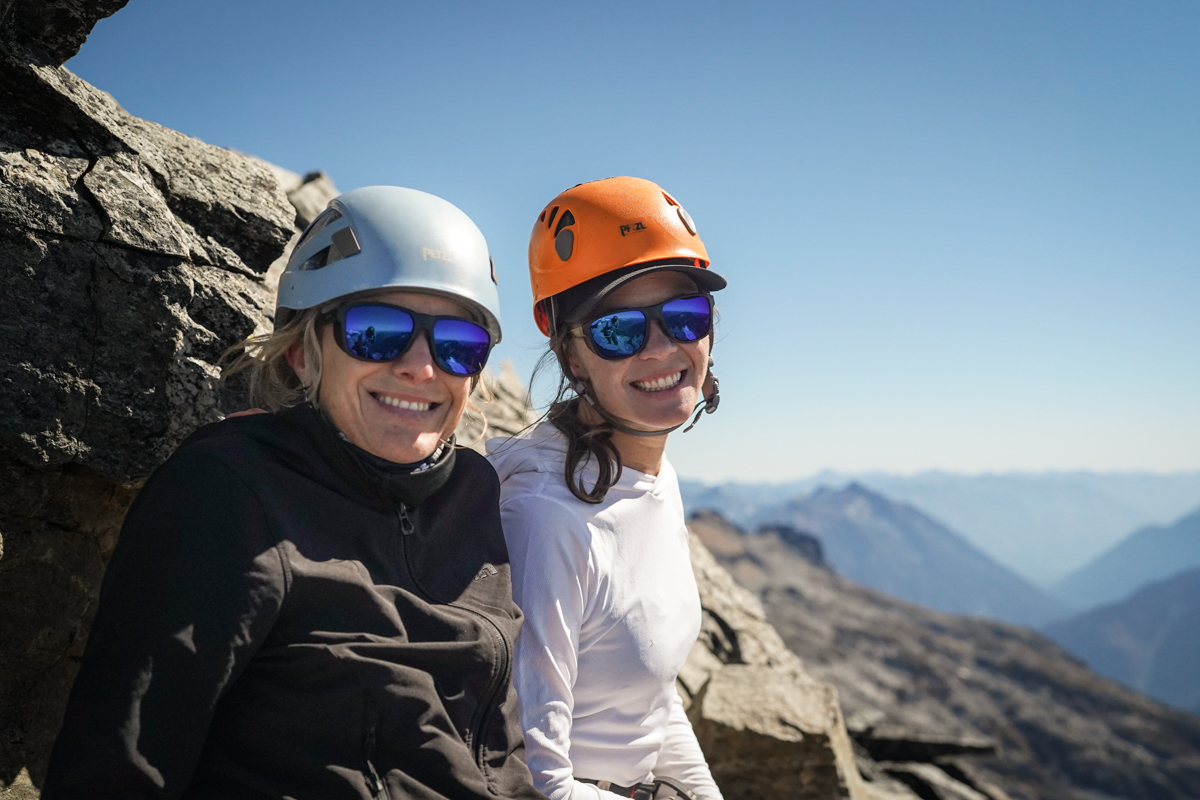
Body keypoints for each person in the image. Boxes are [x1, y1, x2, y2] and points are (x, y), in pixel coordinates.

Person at [43, 187, 546, 800]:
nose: (422, 366)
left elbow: (499, 753)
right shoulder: (229, 490)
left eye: (458, 344)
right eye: (376, 329)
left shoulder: (469, 494)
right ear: (305, 353)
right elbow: (121, 767)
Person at [486, 177, 726, 800]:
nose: (661, 348)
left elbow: (648, 701)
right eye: (618, 331)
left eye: (683, 317)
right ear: (570, 354)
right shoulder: (546, 516)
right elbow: (534, 778)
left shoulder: (651, 476)